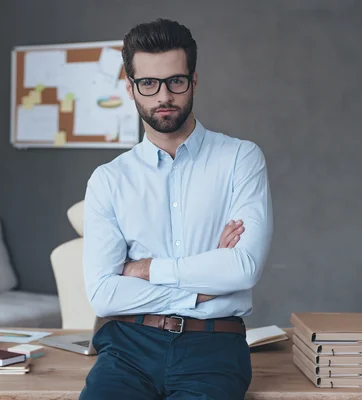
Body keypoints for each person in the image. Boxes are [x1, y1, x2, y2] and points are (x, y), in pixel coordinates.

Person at [80, 18, 273, 400]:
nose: (163, 96)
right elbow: (104, 294)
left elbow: (243, 268)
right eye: (148, 83)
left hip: (213, 346)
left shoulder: (240, 159)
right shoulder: (108, 179)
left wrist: (147, 270)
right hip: (128, 348)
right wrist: (203, 285)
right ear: (131, 88)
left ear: (193, 81)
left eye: (175, 82)